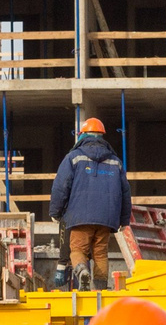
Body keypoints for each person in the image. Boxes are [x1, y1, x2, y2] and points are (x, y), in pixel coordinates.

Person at [49, 116, 131, 291]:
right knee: (100, 253)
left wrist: (55, 212)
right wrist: (124, 220)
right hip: (106, 218)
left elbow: (61, 186)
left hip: (80, 216)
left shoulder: (73, 157)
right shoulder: (116, 161)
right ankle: (100, 288)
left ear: (82, 135)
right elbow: (125, 192)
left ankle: (82, 272)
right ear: (102, 136)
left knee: (77, 250)